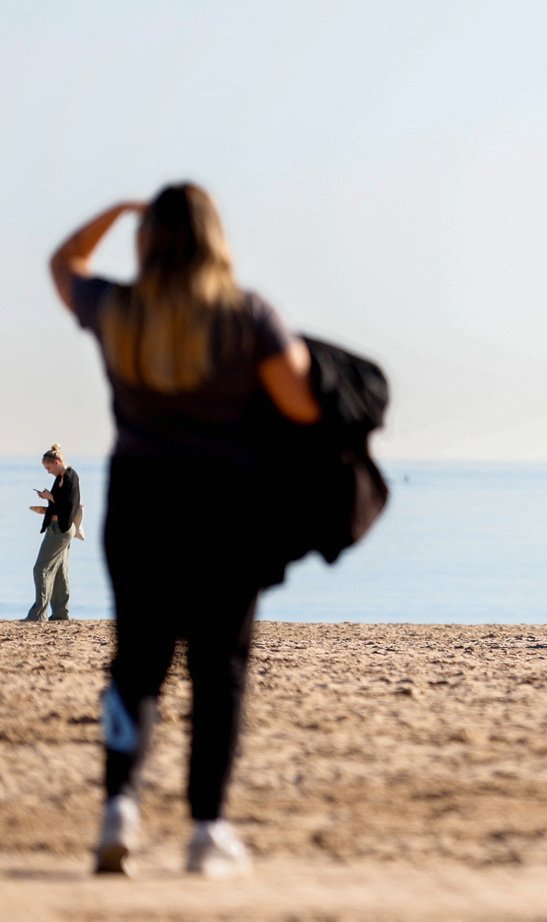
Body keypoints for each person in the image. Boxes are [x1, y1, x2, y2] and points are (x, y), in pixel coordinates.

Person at [49, 184, 320, 877]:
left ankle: (120, 807)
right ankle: (206, 831)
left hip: (139, 501)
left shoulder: (120, 310)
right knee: (217, 668)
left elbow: (62, 263)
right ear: (215, 239)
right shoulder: (246, 315)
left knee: (137, 663)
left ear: (149, 242)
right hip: (227, 507)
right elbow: (301, 399)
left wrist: (115, 210)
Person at [23, 443, 81, 622]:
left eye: (49, 467)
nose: (48, 471)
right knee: (59, 571)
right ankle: (61, 614)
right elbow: (59, 505)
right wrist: (45, 505)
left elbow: (69, 504)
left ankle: (38, 614)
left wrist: (50, 497)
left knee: (40, 568)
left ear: (57, 462)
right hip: (57, 527)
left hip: (61, 530)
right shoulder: (60, 478)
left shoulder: (71, 476)